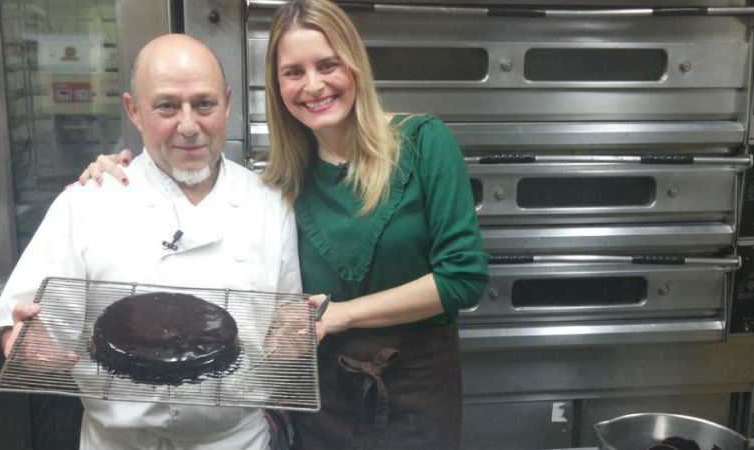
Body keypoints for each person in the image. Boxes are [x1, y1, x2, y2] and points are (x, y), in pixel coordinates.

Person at [79, 0, 488, 448]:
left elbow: (463, 278)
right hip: (325, 392)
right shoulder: (284, 181)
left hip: (416, 383)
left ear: (354, 66)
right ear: (277, 86)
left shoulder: (423, 143)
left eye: (328, 65)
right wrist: (123, 171)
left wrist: (341, 314)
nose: (313, 85)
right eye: (294, 72)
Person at [0, 33, 301, 450]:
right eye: (167, 106)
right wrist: (26, 342)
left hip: (235, 441)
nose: (188, 126)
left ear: (228, 104)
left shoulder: (270, 205)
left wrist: (294, 337)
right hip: (118, 442)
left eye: (204, 104)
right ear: (133, 110)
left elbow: (284, 328)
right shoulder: (87, 203)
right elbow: (27, 323)